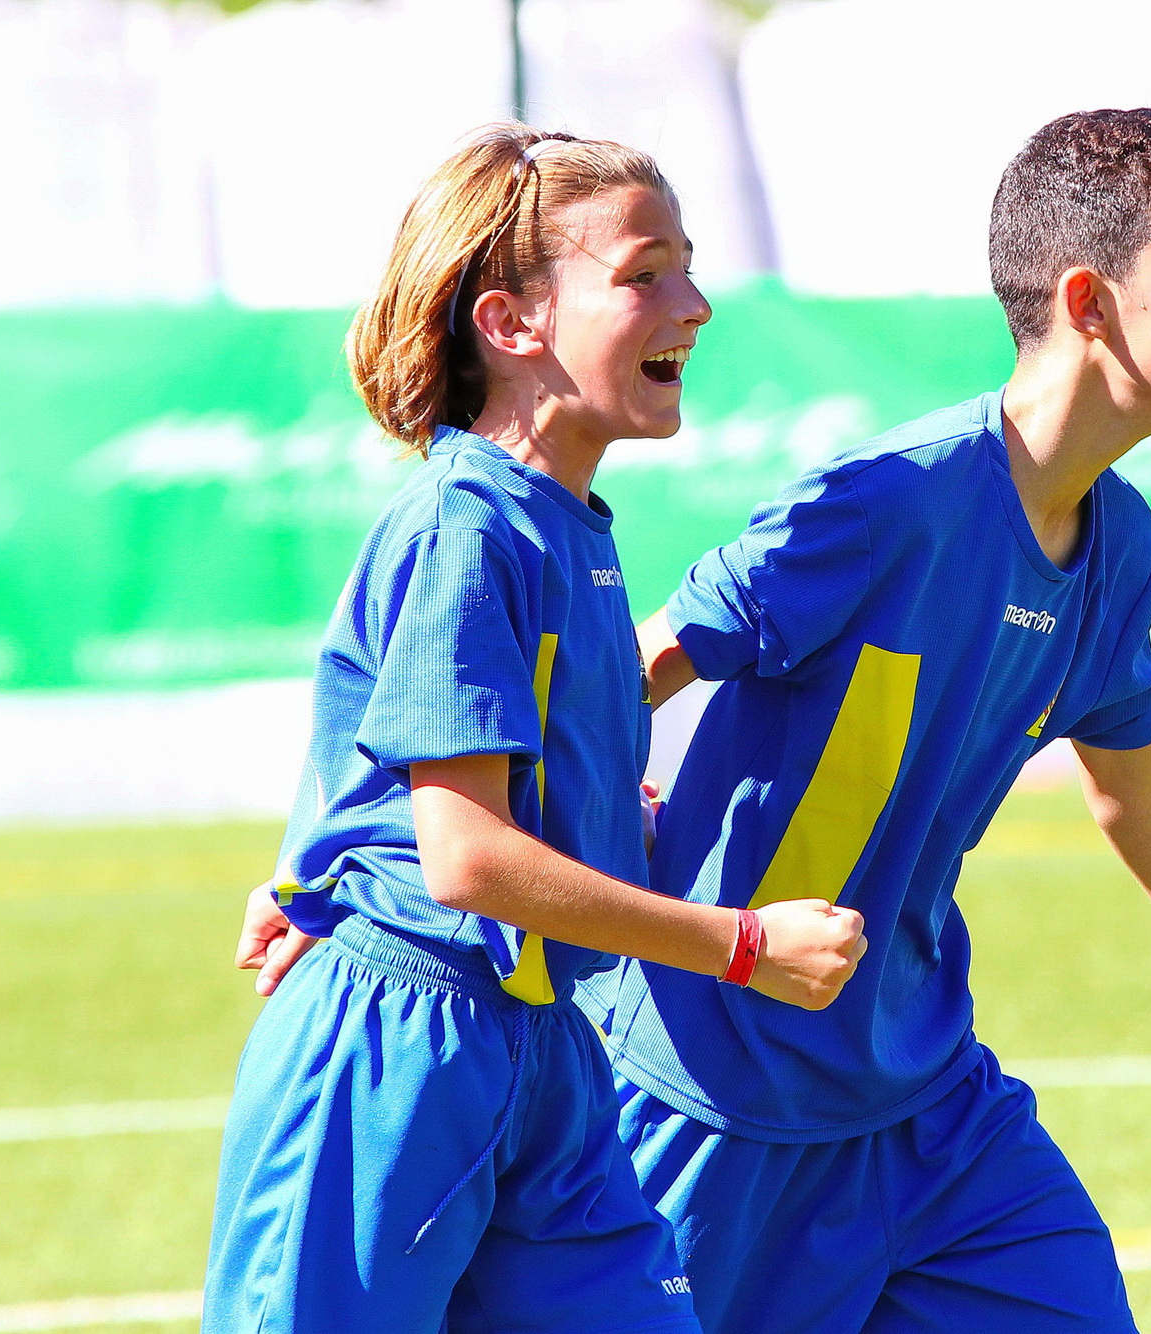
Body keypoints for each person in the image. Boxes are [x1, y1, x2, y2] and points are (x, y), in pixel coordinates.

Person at [585, 108, 1151, 1333]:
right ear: (1087, 301)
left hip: (930, 1110)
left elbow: (1132, 792)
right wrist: (368, 850)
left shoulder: (1120, 549)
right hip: (715, 1094)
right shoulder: (885, 502)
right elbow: (631, 669)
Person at [205, 123, 865, 1334]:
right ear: (510, 324)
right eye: (644, 273)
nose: (695, 305)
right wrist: (739, 943)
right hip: (398, 1046)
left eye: (687, 268)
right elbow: (464, 858)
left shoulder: (567, 525)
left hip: (542, 1044)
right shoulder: (466, 523)